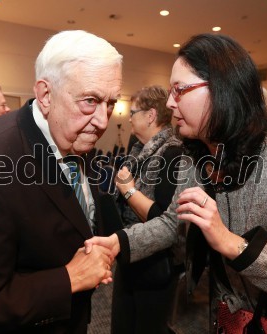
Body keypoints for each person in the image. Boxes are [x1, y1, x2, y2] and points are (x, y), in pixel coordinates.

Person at [86, 34, 267, 334]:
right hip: (224, 320)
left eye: (179, 90)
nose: (170, 103)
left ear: (222, 90)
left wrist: (232, 244)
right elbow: (173, 223)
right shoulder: (194, 157)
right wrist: (119, 241)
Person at [0, 30, 122, 334]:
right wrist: (69, 279)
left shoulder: (75, 133)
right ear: (45, 95)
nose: (103, 120)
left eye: (111, 102)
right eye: (90, 100)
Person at [111, 86, 183, 334]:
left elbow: (162, 219)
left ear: (151, 115)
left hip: (155, 264)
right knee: (122, 325)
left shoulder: (172, 153)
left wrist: (129, 190)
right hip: (130, 251)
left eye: (133, 112)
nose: (129, 117)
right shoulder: (138, 149)